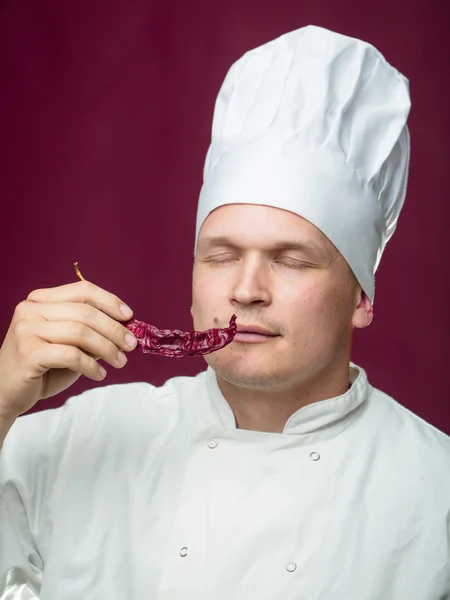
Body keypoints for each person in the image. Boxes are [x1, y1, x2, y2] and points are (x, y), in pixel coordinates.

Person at [0, 25, 449, 599]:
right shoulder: (64, 442)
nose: (245, 289)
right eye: (221, 256)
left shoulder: (436, 497)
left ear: (361, 296)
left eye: (291, 260)